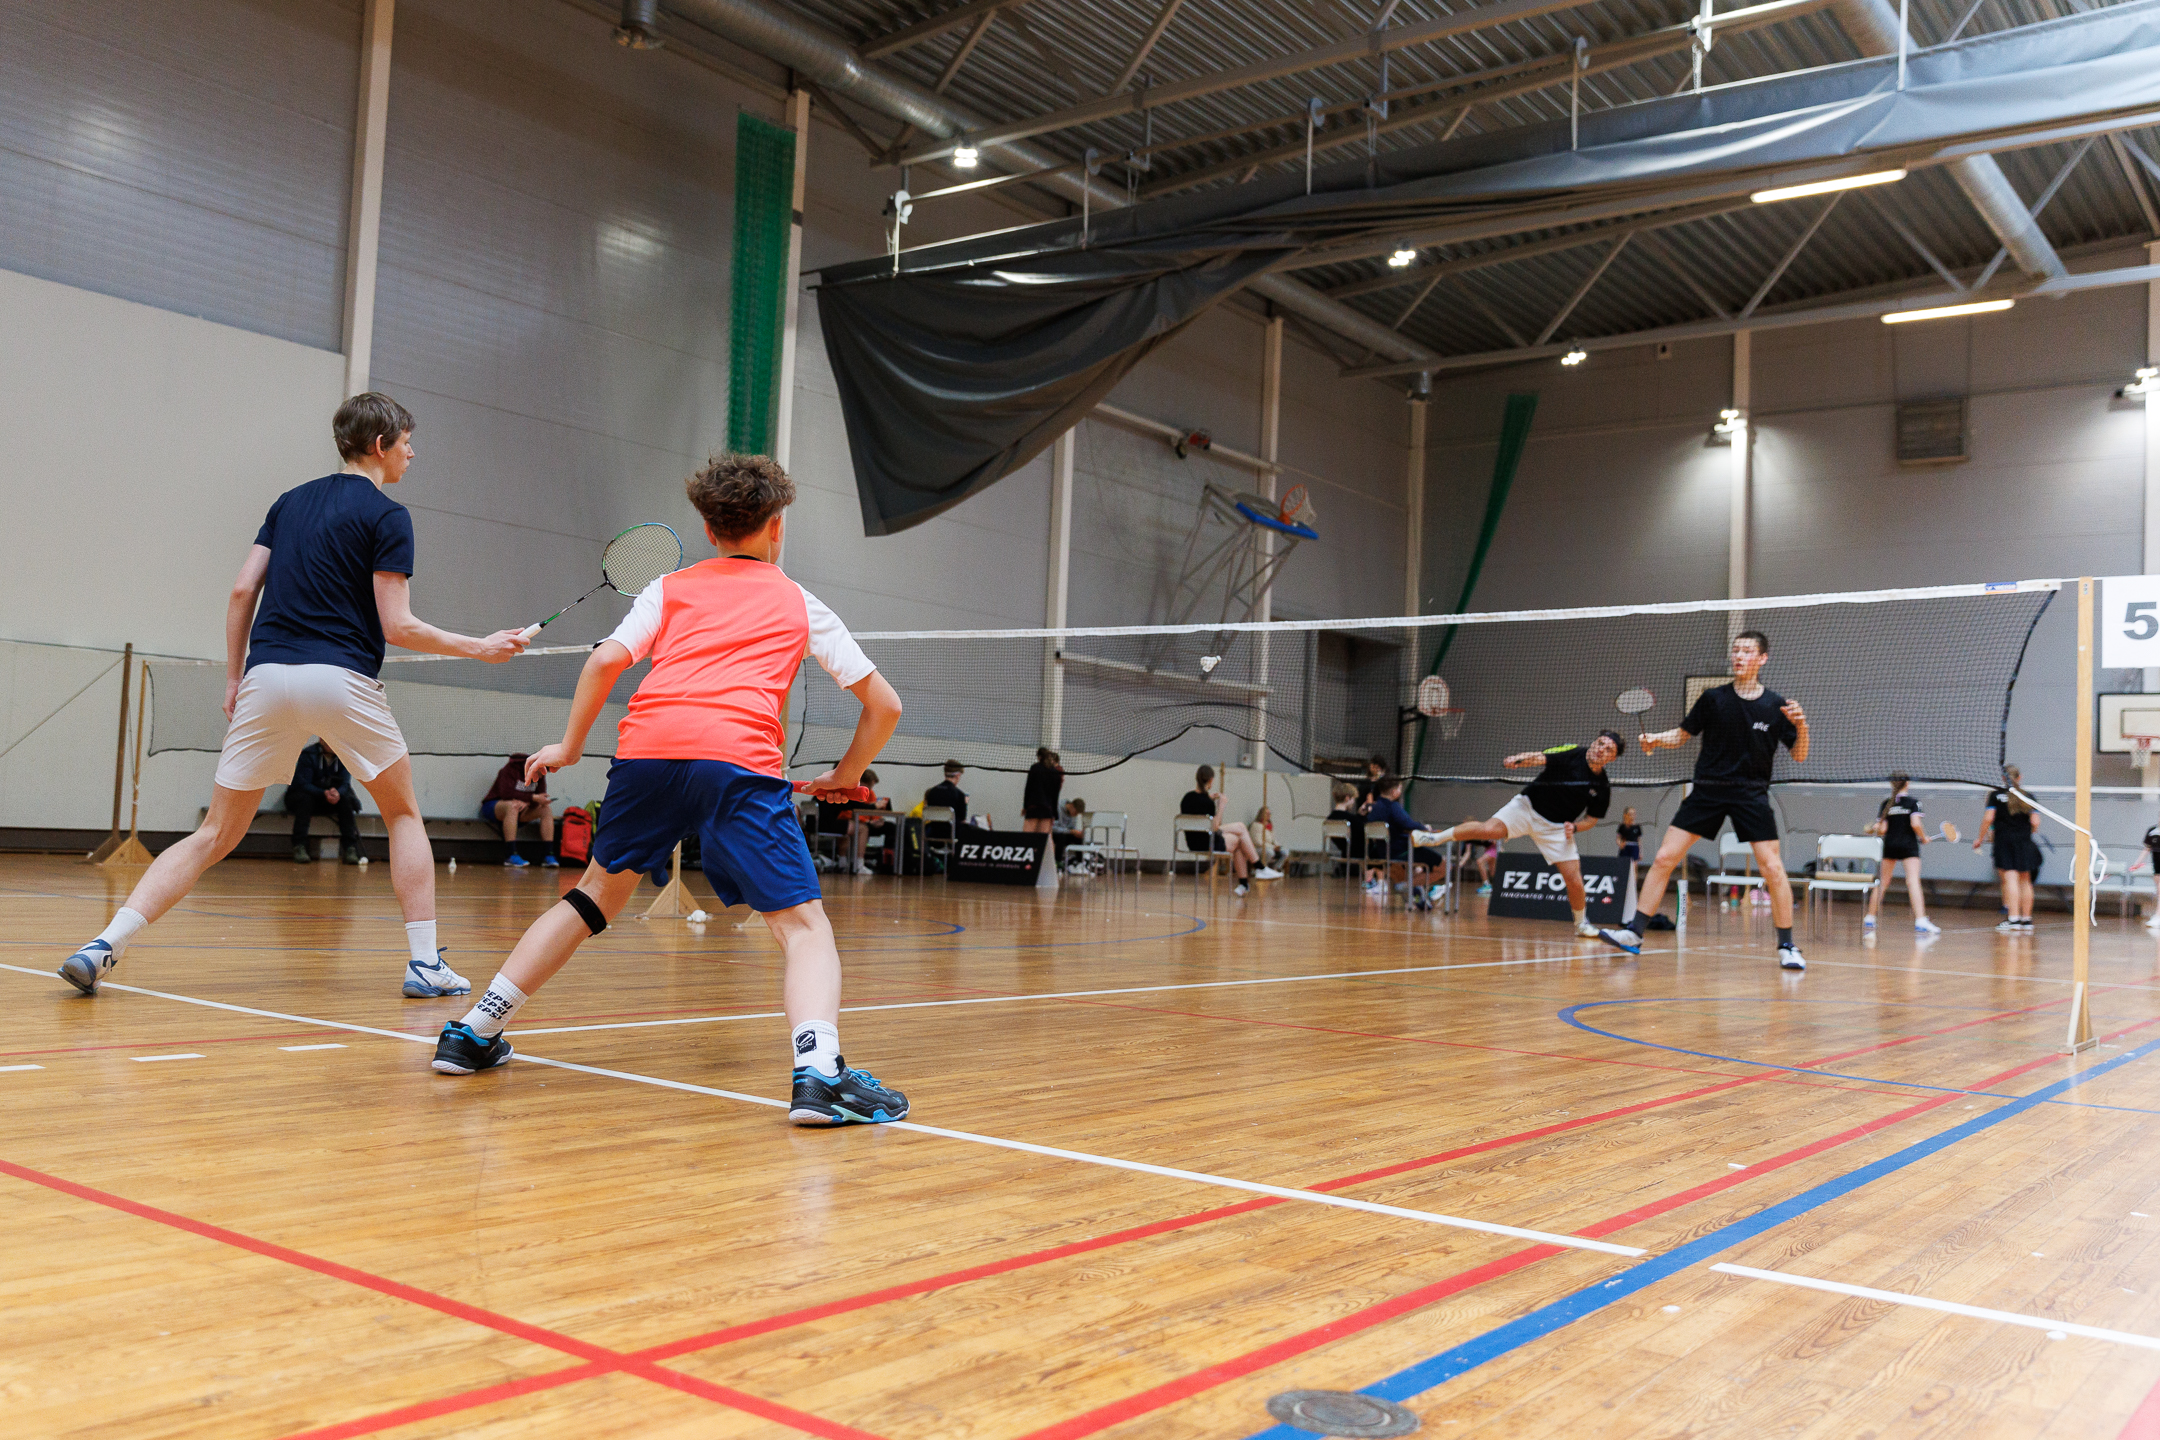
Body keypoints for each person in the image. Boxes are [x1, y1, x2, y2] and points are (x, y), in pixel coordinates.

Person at [429, 452, 910, 1127]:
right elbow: (884, 706)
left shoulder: (667, 588)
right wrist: (847, 776)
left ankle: (474, 1031)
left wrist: (569, 747)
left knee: (593, 894)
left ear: (709, 530)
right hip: (737, 765)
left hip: (646, 758)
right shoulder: (801, 603)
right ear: (778, 526)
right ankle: (819, 1073)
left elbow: (605, 660)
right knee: (802, 926)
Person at [57, 393, 526, 1000]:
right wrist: (479, 647)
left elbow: (240, 592)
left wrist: (234, 678)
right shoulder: (389, 516)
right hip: (340, 678)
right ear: (380, 445)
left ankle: (103, 945)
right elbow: (398, 626)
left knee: (215, 834)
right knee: (403, 814)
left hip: (266, 676)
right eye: (407, 442)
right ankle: (424, 964)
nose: (412, 453)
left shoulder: (289, 502)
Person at [1599, 630, 1810, 970]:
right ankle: (1634, 933)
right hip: (1708, 790)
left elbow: (1799, 755)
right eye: (1736, 650)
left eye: (1747, 651)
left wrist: (1802, 726)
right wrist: (1657, 738)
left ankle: (1787, 945)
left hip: (1750, 794)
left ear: (1762, 658)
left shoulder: (1776, 705)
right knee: (1664, 857)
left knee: (1772, 867)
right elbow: (1682, 735)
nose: (1739, 656)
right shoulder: (1713, 698)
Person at [1422, 732, 1624, 938]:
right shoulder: (1572, 752)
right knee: (1489, 829)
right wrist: (1518, 759)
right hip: (1527, 808)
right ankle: (1435, 838)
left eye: (1608, 749)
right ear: (1593, 742)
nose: (1601, 749)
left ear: (1613, 758)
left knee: (1574, 879)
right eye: (1600, 743)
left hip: (1555, 828)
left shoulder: (1602, 787)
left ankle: (1581, 924)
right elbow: (1541, 757)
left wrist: (1576, 827)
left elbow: (1591, 819)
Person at [1179, 764, 1281, 896]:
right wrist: (1221, 806)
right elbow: (1215, 827)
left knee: (1241, 828)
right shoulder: (1208, 803)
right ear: (1211, 780)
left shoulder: (1187, 798)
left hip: (1193, 842)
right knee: (1239, 839)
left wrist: (1208, 799)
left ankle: (1248, 881)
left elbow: (1197, 811)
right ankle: (1258, 869)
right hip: (1207, 843)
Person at [1865, 772, 1940, 935]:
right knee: (1912, 881)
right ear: (1907, 783)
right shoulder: (1913, 803)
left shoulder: (1886, 804)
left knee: (1883, 881)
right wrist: (1924, 837)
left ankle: (1870, 918)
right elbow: (1915, 824)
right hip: (1908, 846)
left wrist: (1876, 828)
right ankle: (1920, 921)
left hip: (1890, 845)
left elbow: (1882, 830)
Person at [1974, 765, 2039, 935]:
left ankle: (2014, 919)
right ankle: (2026, 921)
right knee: (2025, 880)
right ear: (2020, 777)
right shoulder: (2028, 796)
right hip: (2024, 842)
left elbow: (1988, 818)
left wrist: (1980, 838)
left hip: (2004, 841)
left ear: (2003, 779)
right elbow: (2035, 822)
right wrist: (2026, 833)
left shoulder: (1995, 796)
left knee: (2010, 879)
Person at [1364, 775, 1446, 909]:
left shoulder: (1374, 809)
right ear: (1394, 791)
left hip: (1383, 852)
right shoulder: (1393, 806)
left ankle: (1418, 895)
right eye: (1400, 788)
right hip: (1401, 850)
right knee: (1444, 866)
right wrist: (1425, 828)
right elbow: (1408, 824)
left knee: (1411, 872)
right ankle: (1407, 886)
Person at [286, 739, 363, 864]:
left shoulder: (344, 755)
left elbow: (345, 783)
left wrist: (337, 793)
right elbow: (303, 784)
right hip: (309, 797)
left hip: (331, 799)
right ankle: (299, 846)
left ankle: (350, 848)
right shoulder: (308, 754)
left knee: (346, 800)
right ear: (321, 739)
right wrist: (323, 793)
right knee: (305, 800)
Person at [482, 752, 557, 868]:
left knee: (545, 809)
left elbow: (539, 796)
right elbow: (505, 793)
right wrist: (531, 798)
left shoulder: (541, 776)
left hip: (521, 809)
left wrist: (531, 801)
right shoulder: (510, 770)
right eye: (540, 772)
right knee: (512, 806)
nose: (542, 776)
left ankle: (549, 855)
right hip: (495, 806)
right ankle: (510, 854)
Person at [1021, 748, 1064, 834]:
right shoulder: (1056, 773)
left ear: (1039, 757)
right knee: (1042, 838)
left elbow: (1028, 789)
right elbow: (1055, 795)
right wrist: (1054, 814)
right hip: (1047, 809)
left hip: (1033, 807)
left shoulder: (1035, 768)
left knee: (1027, 837)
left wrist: (1025, 807)